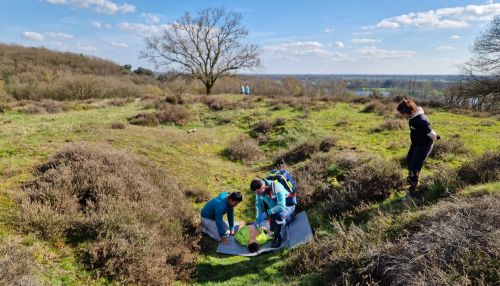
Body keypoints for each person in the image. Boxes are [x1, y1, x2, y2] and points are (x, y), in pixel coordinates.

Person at [397, 99, 440, 199]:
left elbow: (431, 133)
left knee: (414, 167)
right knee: (408, 161)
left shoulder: (421, 120)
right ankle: (410, 182)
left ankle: (411, 193)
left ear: (409, 111)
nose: (402, 115)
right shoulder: (413, 117)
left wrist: (436, 137)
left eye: (403, 113)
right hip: (416, 144)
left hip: (424, 146)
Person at [250, 178, 295, 248]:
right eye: (256, 192)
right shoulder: (259, 192)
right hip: (275, 210)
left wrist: (267, 213)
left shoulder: (277, 186)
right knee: (272, 228)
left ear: (263, 187)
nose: (257, 194)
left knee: (279, 217)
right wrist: (258, 219)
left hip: (288, 206)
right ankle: (286, 219)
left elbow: (281, 206)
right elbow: (258, 205)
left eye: (258, 192)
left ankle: (278, 239)